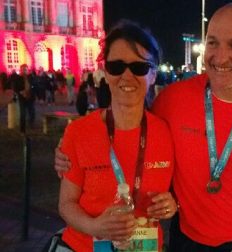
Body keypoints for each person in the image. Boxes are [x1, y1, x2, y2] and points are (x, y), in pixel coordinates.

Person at [55, 3, 232, 251]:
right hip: (186, 243)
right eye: (213, 43)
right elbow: (131, 133)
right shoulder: (172, 100)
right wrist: (70, 152)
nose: (220, 56)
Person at [55, 20, 177, 252]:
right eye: (116, 66)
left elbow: (177, 193)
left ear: (153, 74)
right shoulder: (79, 131)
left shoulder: (167, 131)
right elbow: (66, 204)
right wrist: (95, 226)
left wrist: (171, 205)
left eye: (139, 68)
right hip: (85, 246)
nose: (127, 76)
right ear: (106, 72)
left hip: (145, 247)